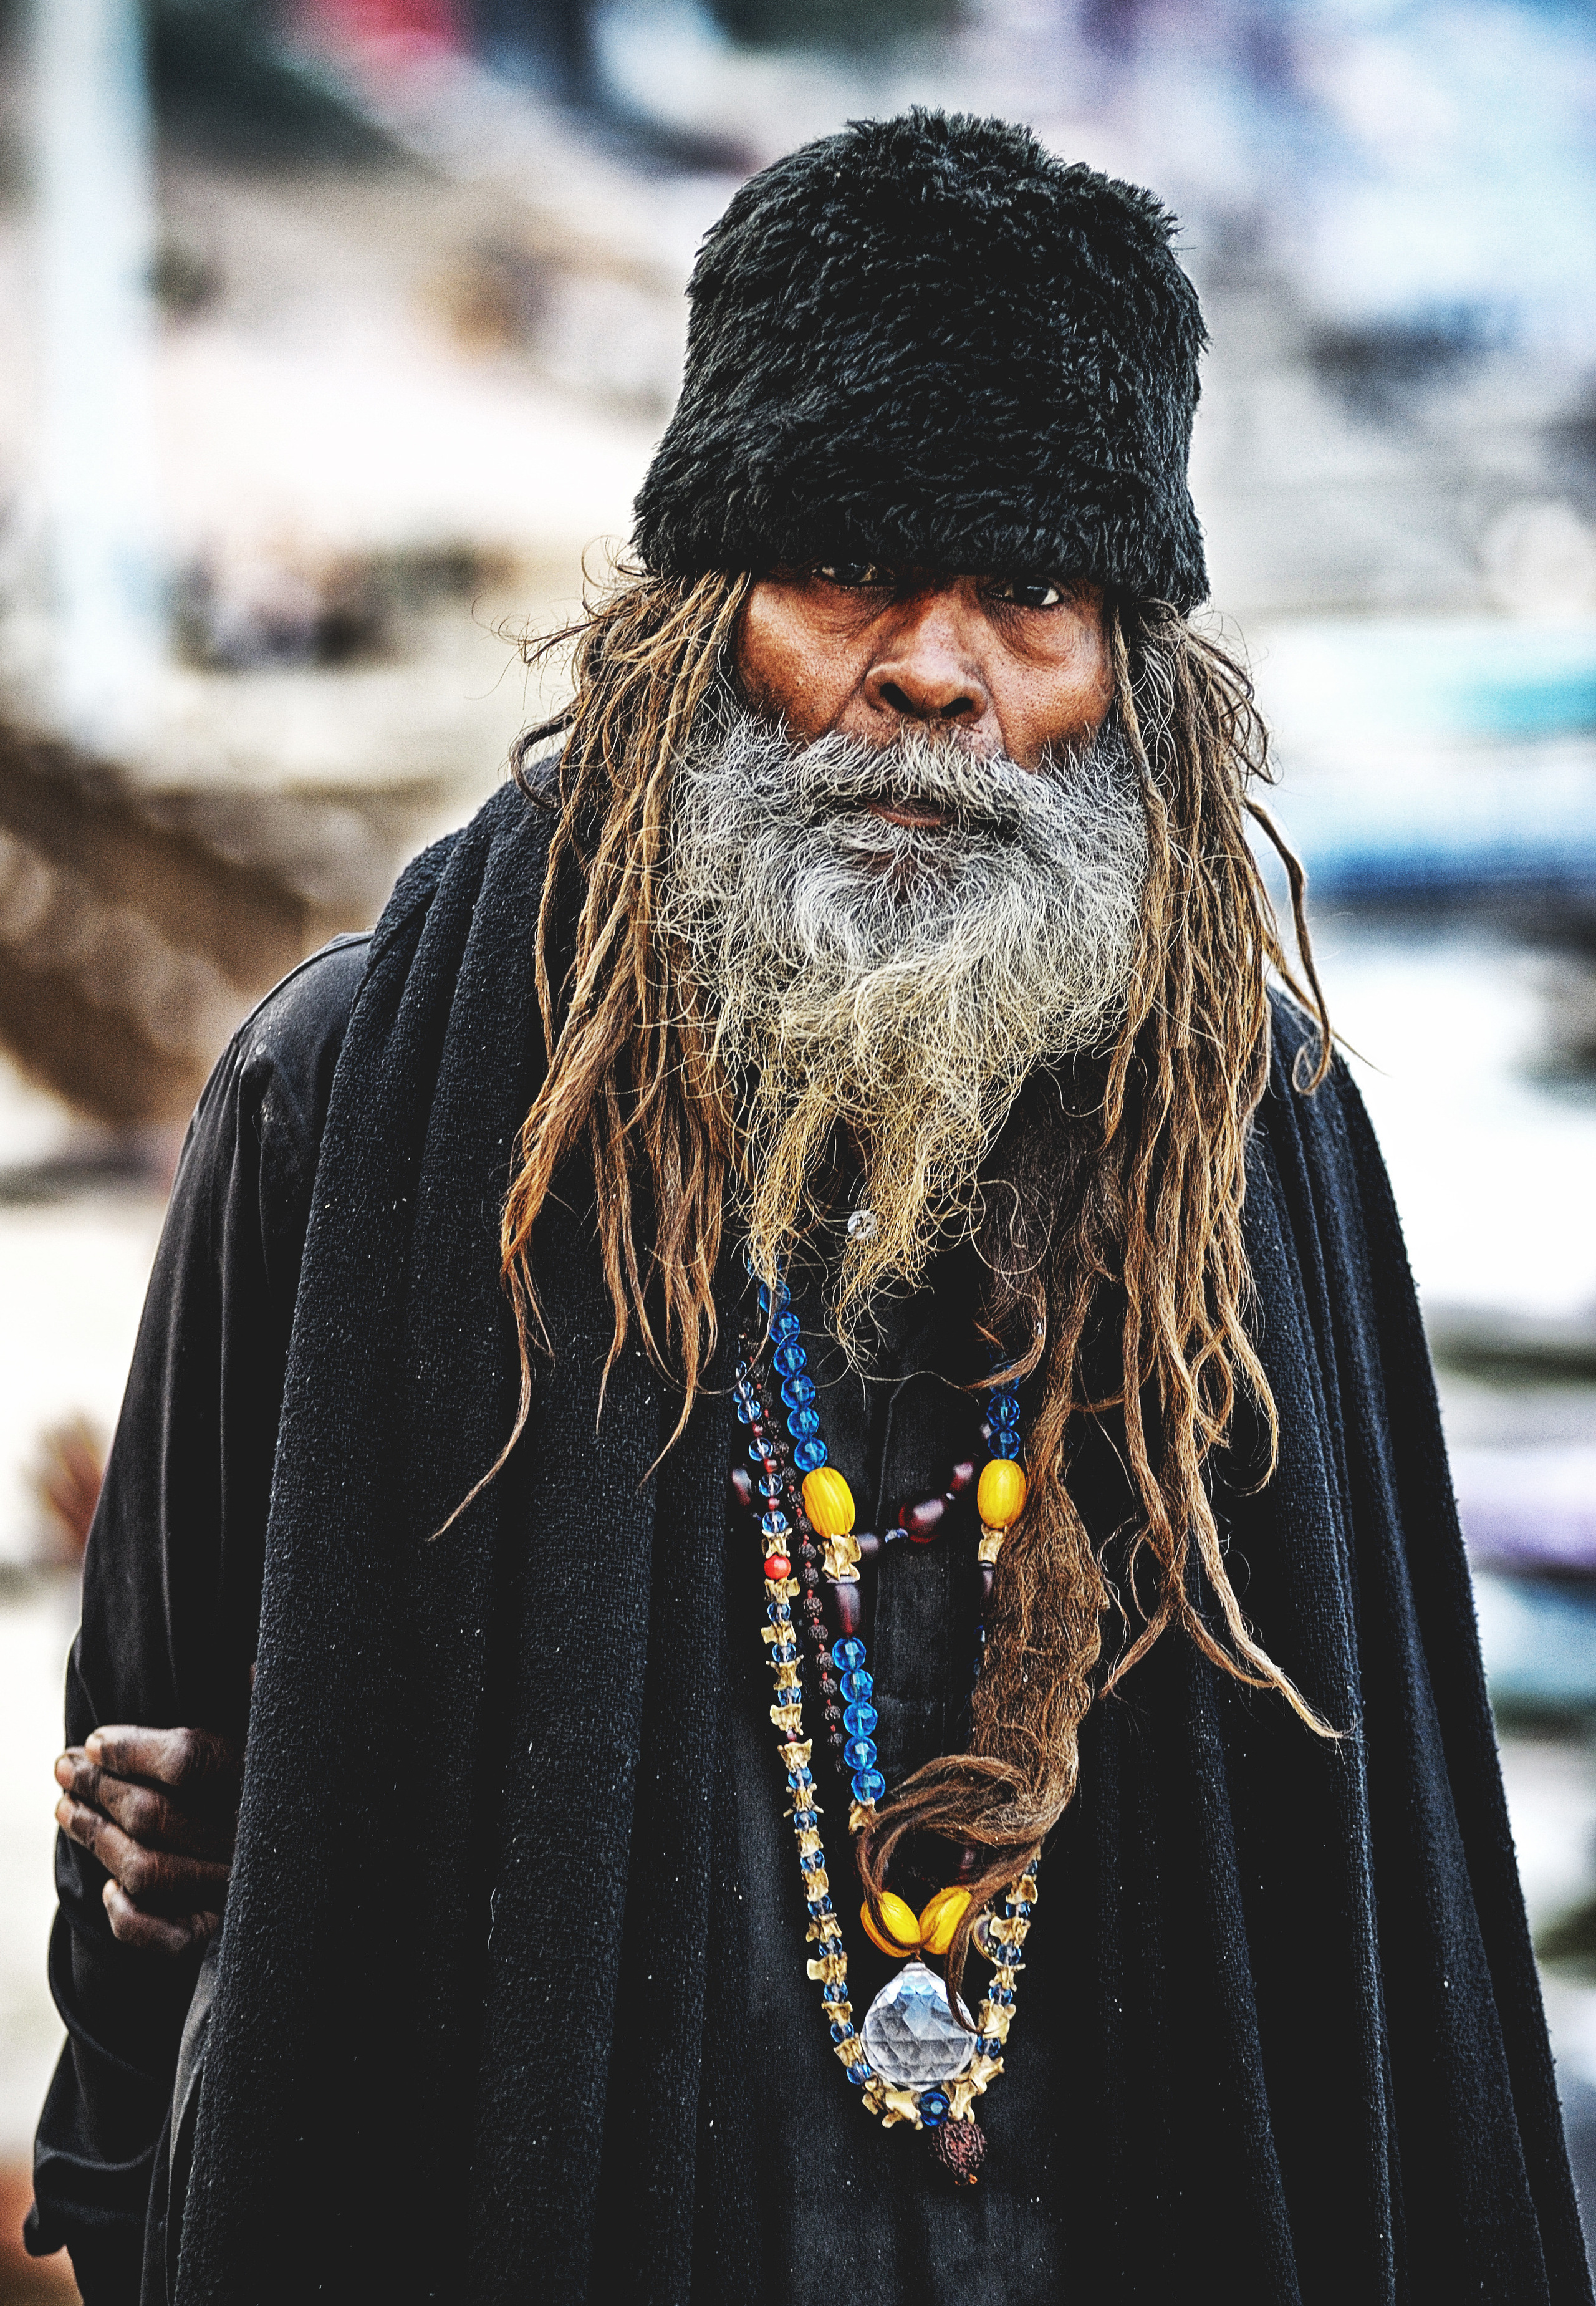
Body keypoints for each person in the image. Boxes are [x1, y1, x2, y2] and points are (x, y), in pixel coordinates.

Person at [24, 110, 1591, 2306]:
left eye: (1031, 594)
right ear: (700, 619)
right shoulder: (350, 1092)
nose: (936, 672)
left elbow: (1397, 1881)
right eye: (852, 562)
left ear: (1131, 678)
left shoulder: (1261, 1145)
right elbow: (135, 1930)